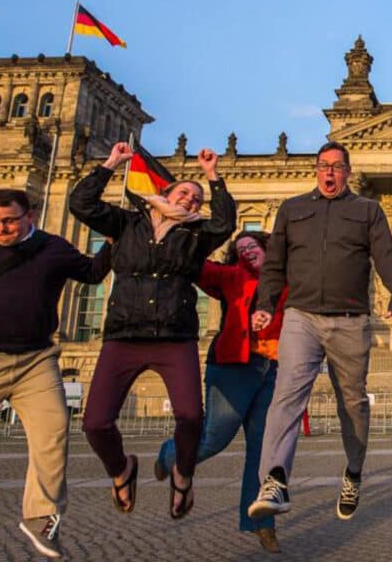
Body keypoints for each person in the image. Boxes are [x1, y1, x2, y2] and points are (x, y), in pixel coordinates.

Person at [69, 142, 236, 520]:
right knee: (95, 422)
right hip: (124, 335)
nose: (191, 200)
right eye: (184, 193)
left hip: (173, 337)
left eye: (196, 198)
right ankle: (121, 470)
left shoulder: (196, 237)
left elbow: (225, 223)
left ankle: (183, 474)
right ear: (164, 193)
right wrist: (110, 164)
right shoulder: (128, 223)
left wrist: (213, 176)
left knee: (192, 417)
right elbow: (80, 204)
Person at [248, 141, 392, 523]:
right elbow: (274, 263)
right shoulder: (292, 209)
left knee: (352, 404)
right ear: (316, 170)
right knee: (286, 395)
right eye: (324, 166)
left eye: (337, 166)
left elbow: (386, 254)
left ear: (349, 172)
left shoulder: (367, 209)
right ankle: (274, 478)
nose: (330, 172)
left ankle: (353, 471)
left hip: (350, 319)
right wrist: (265, 304)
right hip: (300, 316)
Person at [0, 189, 111, 559]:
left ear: (30, 215)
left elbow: (92, 274)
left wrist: (113, 241)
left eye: (9, 221)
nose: (0, 229)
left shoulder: (53, 247)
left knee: (54, 431)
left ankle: (41, 515)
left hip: (36, 359)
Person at [154, 231, 287, 553]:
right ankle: (169, 453)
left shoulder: (289, 278)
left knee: (263, 451)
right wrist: (180, 231)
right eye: (240, 250)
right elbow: (196, 267)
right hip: (234, 367)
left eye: (251, 247)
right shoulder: (230, 276)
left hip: (275, 370)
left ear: (267, 248)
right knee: (214, 438)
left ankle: (261, 523)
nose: (246, 253)